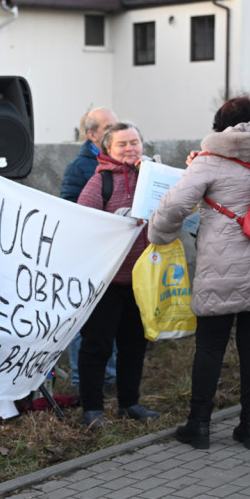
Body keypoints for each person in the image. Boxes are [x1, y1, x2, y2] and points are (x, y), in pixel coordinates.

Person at [149, 97, 250, 449]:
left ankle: (198, 426)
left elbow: (176, 205)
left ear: (221, 125)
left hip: (222, 268)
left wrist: (159, 235)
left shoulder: (209, 159)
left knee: (210, 347)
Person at [76, 122, 160, 428]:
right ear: (107, 150)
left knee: (134, 346)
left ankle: (129, 403)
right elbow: (83, 224)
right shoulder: (101, 182)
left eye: (135, 142)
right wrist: (115, 221)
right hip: (107, 282)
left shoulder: (153, 177)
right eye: (122, 144)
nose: (130, 148)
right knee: (96, 347)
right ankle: (92, 411)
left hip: (142, 280)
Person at [60, 107, 119, 395]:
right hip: (90, 257)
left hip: (115, 257)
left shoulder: (125, 164)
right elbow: (69, 212)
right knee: (85, 321)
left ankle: (109, 378)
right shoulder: (79, 168)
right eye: (109, 126)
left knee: (109, 322)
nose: (115, 130)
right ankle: (78, 384)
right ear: (92, 134)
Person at [60, 108, 118, 202]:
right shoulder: (77, 167)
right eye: (109, 128)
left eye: (118, 127)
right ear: (92, 135)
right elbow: (69, 206)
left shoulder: (126, 160)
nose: (117, 132)